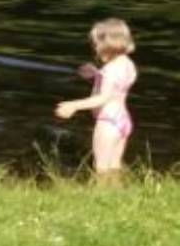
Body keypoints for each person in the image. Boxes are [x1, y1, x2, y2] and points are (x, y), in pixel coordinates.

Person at [54, 18, 136, 176]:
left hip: (107, 123)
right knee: (114, 167)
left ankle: (102, 196)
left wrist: (73, 105)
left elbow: (102, 98)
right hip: (123, 120)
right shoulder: (127, 64)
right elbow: (116, 89)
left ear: (109, 44)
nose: (95, 49)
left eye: (97, 45)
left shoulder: (110, 70)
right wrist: (96, 75)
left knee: (101, 169)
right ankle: (117, 196)